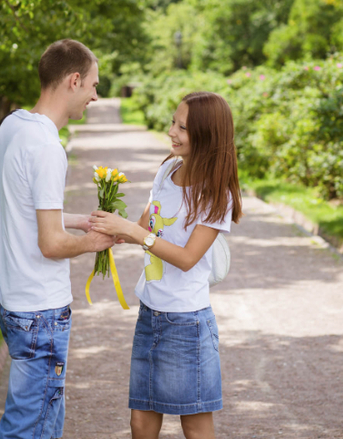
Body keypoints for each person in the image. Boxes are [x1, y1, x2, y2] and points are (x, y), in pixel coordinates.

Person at [90, 92, 243, 439]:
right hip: (150, 314)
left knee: (194, 426)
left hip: (186, 323)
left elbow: (188, 258)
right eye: (173, 121)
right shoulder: (167, 169)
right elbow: (146, 227)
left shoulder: (216, 194)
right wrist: (109, 226)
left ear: (207, 136)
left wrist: (132, 232)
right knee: (140, 423)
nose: (172, 131)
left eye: (183, 127)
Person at [0, 39, 116, 439]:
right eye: (94, 85)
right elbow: (50, 245)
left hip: (13, 301)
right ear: (74, 80)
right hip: (39, 312)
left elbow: (22, 209)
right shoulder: (46, 146)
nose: (96, 95)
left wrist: (80, 221)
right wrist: (95, 244)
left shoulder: (12, 125)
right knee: (29, 429)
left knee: (45, 420)